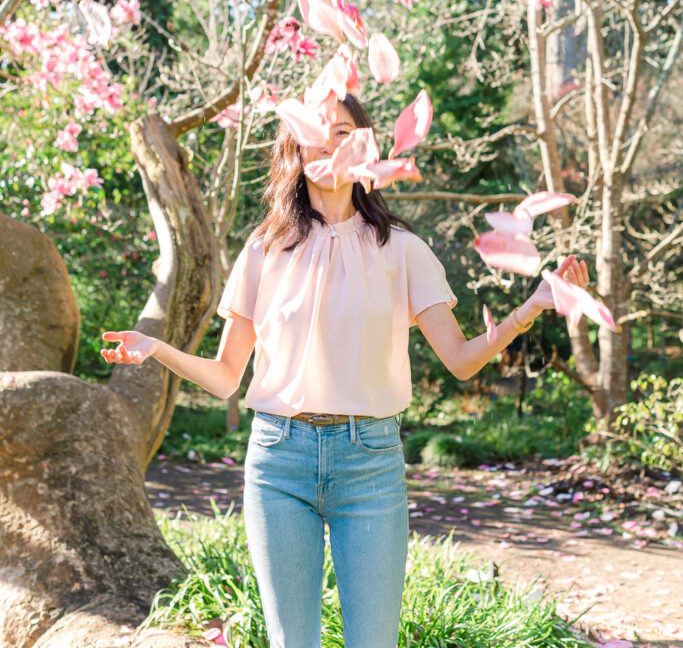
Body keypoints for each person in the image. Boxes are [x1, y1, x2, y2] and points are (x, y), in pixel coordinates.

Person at [102, 93, 589, 648]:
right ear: (295, 147)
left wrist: (533, 305)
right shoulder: (264, 251)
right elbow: (224, 375)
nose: (330, 143)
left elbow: (459, 359)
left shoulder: (401, 250)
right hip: (278, 464)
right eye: (317, 131)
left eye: (344, 133)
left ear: (365, 150)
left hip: (371, 465)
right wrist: (155, 346)